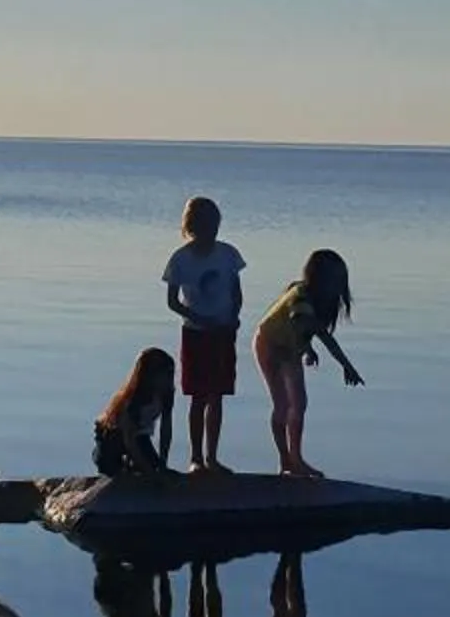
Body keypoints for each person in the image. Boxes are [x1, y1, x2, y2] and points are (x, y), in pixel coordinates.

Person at [254, 248, 365, 478]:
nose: (337, 286)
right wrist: (311, 350)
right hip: (270, 344)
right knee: (283, 404)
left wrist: (343, 364)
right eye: (333, 280)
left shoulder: (321, 302)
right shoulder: (301, 296)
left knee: (300, 404)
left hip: (291, 348)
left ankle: (297, 459)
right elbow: (300, 324)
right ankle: (285, 460)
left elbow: (319, 333)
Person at [161, 196, 245, 472]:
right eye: (205, 224)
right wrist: (198, 318)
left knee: (217, 395)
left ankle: (212, 457)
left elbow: (236, 291)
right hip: (196, 333)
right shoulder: (180, 259)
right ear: (192, 226)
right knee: (198, 396)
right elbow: (172, 302)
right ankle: (196, 458)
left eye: (214, 224)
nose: (212, 230)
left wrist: (233, 317)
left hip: (223, 331)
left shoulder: (228, 255)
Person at [93, 346, 177, 476]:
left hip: (139, 435)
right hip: (112, 437)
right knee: (111, 468)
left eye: (172, 374)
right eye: (166, 374)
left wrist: (162, 462)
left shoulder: (166, 394)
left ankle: (136, 465)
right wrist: (150, 473)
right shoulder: (132, 402)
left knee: (154, 467)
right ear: (150, 376)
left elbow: (166, 428)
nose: (170, 379)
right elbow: (129, 441)